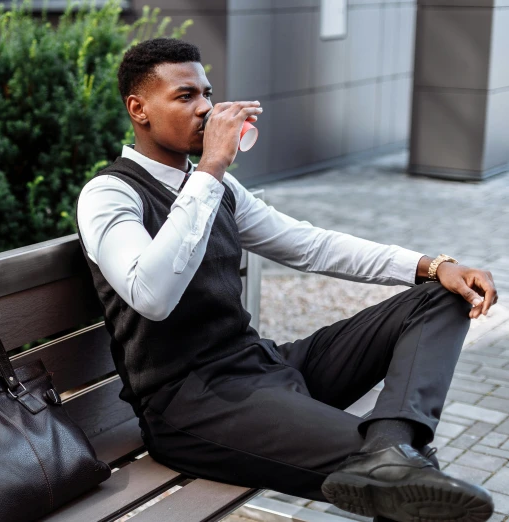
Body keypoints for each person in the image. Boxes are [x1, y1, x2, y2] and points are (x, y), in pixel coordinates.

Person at [75, 38, 499, 522]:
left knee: (439, 299)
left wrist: (431, 265)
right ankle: (390, 459)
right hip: (191, 406)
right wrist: (211, 168)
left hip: (262, 366)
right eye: (185, 96)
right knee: (403, 482)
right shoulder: (109, 195)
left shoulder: (217, 188)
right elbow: (151, 296)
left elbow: (310, 245)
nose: (206, 108)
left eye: (207, 93)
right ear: (139, 109)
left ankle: (392, 441)